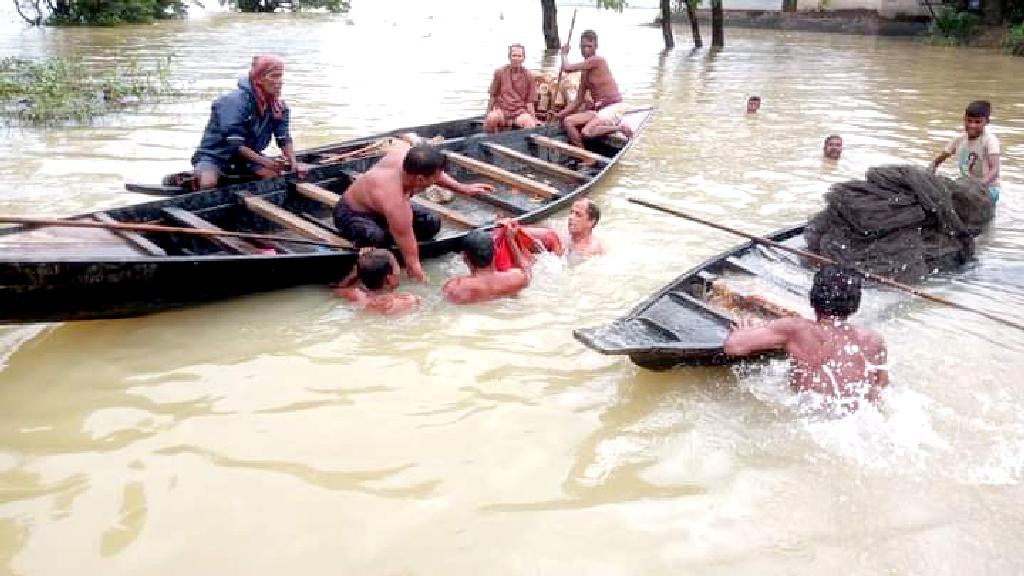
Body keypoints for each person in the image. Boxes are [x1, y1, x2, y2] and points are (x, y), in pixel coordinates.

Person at [723, 265, 889, 411]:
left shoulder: (796, 328)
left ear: (813, 298)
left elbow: (734, 347)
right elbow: (881, 384)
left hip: (814, 414)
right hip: (860, 417)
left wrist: (743, 331)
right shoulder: (874, 340)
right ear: (855, 305)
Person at [334, 141, 493, 282]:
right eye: (434, 178)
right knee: (376, 237)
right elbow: (412, 263)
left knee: (431, 223)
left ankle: (395, 230)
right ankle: (386, 234)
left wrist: (463, 188)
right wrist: (419, 276)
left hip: (384, 210)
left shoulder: (408, 158)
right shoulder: (394, 200)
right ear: (420, 180)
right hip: (352, 213)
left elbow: (436, 173)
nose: (438, 179)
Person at [191, 55, 305, 190]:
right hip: (216, 157)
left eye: (280, 76)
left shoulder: (278, 107)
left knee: (274, 176)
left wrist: (293, 162)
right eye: (274, 76)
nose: (279, 82)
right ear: (259, 79)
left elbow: (283, 138)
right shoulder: (235, 102)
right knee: (208, 183)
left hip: (247, 160)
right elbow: (235, 144)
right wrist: (266, 162)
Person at [555, 30, 632, 148]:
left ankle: (620, 128)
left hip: (613, 107)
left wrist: (564, 54)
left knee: (587, 132)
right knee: (568, 121)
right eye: (583, 46)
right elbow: (578, 101)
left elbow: (567, 68)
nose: (586, 50)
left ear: (596, 46)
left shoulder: (597, 60)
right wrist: (559, 115)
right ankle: (582, 154)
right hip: (599, 110)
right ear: (579, 47)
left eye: (589, 46)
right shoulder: (585, 72)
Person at [929, 100, 1001, 203]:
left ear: (987, 122)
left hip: (989, 188)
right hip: (967, 185)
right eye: (969, 121)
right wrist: (931, 170)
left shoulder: (990, 141)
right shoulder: (959, 140)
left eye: (977, 122)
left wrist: (980, 185)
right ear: (964, 119)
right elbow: (939, 159)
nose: (972, 125)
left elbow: (995, 170)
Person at [443, 225, 532, 305]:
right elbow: (526, 269)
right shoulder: (517, 278)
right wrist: (511, 241)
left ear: (464, 257)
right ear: (496, 251)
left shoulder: (455, 288)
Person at [332, 248, 419, 315]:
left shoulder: (357, 295)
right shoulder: (408, 300)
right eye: (397, 266)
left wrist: (354, 273)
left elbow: (336, 290)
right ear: (389, 279)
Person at [484, 44, 540, 134]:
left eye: (519, 56)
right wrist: (487, 115)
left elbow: (530, 102)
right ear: (509, 57)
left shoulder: (529, 75)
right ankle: (492, 139)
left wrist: (533, 118)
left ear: (523, 58)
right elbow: (493, 96)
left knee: (529, 124)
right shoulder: (499, 72)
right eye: (514, 55)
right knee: (491, 118)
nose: (516, 58)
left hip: (519, 112)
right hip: (502, 110)